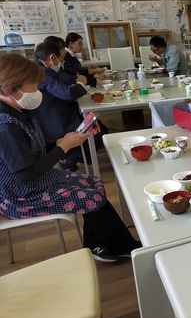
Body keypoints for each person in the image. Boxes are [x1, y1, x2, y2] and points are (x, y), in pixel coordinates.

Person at [0, 54, 141, 262]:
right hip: (20, 197)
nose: (37, 91)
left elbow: (30, 150)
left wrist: (62, 141)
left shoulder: (18, 112)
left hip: (35, 182)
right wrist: (63, 147)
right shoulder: (5, 126)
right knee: (90, 196)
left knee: (93, 182)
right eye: (33, 86)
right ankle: (123, 246)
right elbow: (26, 174)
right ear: (9, 88)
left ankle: (97, 244)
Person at [32, 42, 108, 171]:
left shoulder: (40, 69)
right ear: (52, 58)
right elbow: (68, 93)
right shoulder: (44, 73)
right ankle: (72, 158)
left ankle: (75, 157)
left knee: (97, 124)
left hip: (54, 115)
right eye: (61, 58)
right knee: (97, 131)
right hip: (56, 120)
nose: (61, 62)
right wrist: (80, 83)